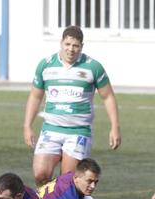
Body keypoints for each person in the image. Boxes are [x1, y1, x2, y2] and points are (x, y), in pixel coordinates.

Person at [23, 25, 121, 187]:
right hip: (51, 129)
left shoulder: (93, 67)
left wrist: (115, 127)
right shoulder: (46, 65)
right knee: (40, 174)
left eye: (75, 46)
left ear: (81, 46)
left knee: (67, 180)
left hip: (78, 132)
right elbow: (35, 95)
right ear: (61, 43)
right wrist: (27, 125)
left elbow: (108, 96)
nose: (71, 49)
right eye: (68, 44)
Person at [38, 158, 103, 199]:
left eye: (95, 182)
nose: (93, 186)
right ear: (76, 178)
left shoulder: (70, 176)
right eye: (89, 181)